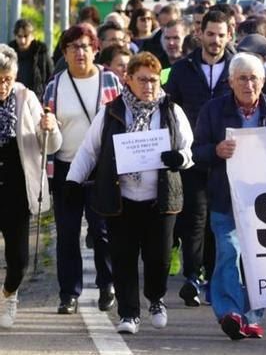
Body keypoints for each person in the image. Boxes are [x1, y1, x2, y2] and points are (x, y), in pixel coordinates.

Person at [65, 52, 193, 334]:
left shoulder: (171, 111)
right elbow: (89, 150)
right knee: (123, 258)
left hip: (160, 201)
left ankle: (156, 299)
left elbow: (188, 149)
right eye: (143, 79)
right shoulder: (111, 111)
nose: (149, 85)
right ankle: (128, 314)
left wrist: (179, 158)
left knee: (158, 258)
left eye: (154, 80)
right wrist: (73, 182)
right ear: (129, 79)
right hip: (120, 200)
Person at [193, 53, 266, 340]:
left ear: (263, 81)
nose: (248, 84)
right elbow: (196, 152)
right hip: (226, 198)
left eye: (254, 78)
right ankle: (230, 313)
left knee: (258, 261)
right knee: (228, 251)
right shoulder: (213, 111)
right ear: (230, 82)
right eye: (242, 79)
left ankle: (251, 317)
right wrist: (216, 151)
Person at [43, 25, 122, 315]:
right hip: (65, 167)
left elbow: (125, 118)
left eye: (85, 46)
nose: (80, 52)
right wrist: (46, 127)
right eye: (73, 47)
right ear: (64, 52)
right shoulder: (55, 85)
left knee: (102, 230)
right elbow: (47, 131)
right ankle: (69, 293)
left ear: (95, 49)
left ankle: (107, 284)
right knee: (66, 232)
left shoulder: (111, 80)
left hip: (101, 169)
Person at [165, 10, 235, 307]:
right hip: (191, 156)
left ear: (228, 36)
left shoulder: (238, 68)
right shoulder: (183, 70)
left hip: (227, 159)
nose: (216, 40)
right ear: (200, 34)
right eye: (211, 34)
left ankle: (211, 276)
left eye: (221, 35)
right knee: (193, 218)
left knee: (217, 221)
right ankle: (192, 276)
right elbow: (168, 110)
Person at [0, 44, 61, 329]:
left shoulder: (27, 98)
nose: (3, 84)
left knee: (19, 260)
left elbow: (51, 144)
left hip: (16, 190)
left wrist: (48, 127)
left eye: (7, 79)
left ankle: (9, 295)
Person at [8, 18, 52, 100]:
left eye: (26, 36)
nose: (22, 40)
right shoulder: (9, 53)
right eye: (19, 36)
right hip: (13, 98)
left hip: (37, 98)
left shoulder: (41, 52)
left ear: (32, 36)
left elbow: (50, 76)